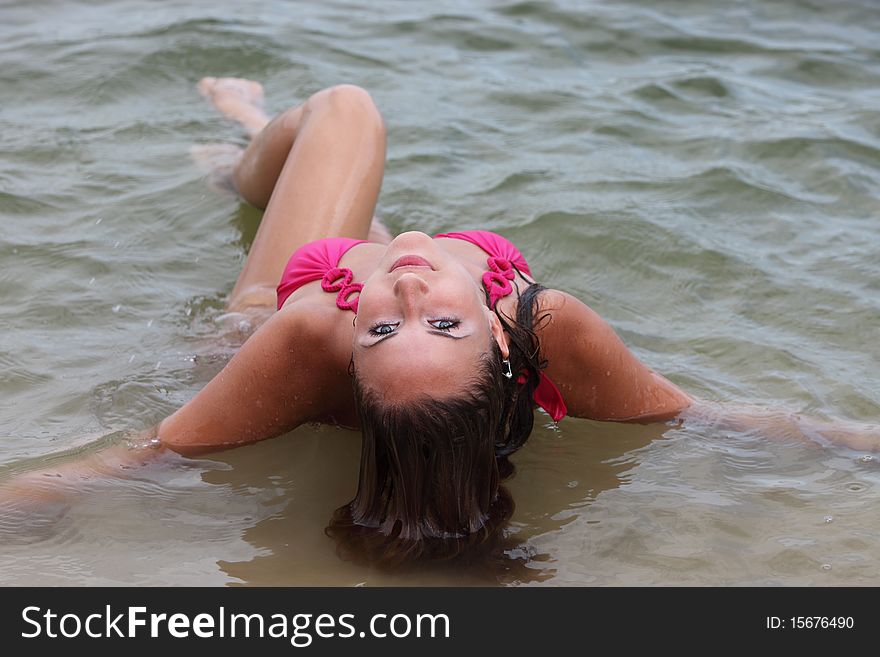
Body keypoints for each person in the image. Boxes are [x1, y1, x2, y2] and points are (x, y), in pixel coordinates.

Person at [3, 78, 878, 566]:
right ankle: (240, 143)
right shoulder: (547, 323)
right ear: (502, 340)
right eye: (443, 328)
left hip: (271, 314)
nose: (412, 300)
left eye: (384, 332)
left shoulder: (316, 337)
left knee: (345, 112)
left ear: (352, 356)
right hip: (363, 283)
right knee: (386, 232)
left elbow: (139, 460)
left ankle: (241, 147)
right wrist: (856, 442)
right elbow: (702, 421)